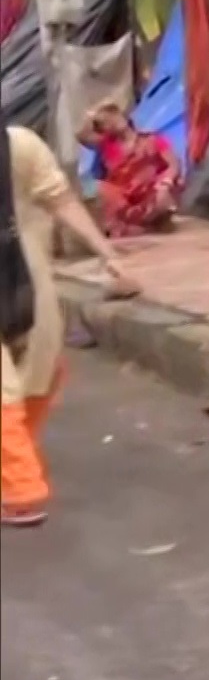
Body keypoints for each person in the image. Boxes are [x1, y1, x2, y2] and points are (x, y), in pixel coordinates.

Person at [4, 125, 141, 527]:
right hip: (28, 283)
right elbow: (61, 201)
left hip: (27, 283)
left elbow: (61, 201)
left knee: (39, 374)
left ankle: (18, 487)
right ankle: (19, 482)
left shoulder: (20, 147)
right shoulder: (20, 145)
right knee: (23, 381)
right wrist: (107, 253)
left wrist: (106, 253)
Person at [77, 101, 182, 237]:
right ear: (104, 130)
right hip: (123, 200)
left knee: (166, 193)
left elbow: (173, 165)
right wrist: (92, 116)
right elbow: (81, 136)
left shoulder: (152, 139)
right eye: (106, 122)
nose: (114, 121)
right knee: (96, 188)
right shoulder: (106, 146)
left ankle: (153, 221)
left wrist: (165, 183)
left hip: (150, 195)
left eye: (114, 115)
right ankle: (134, 225)